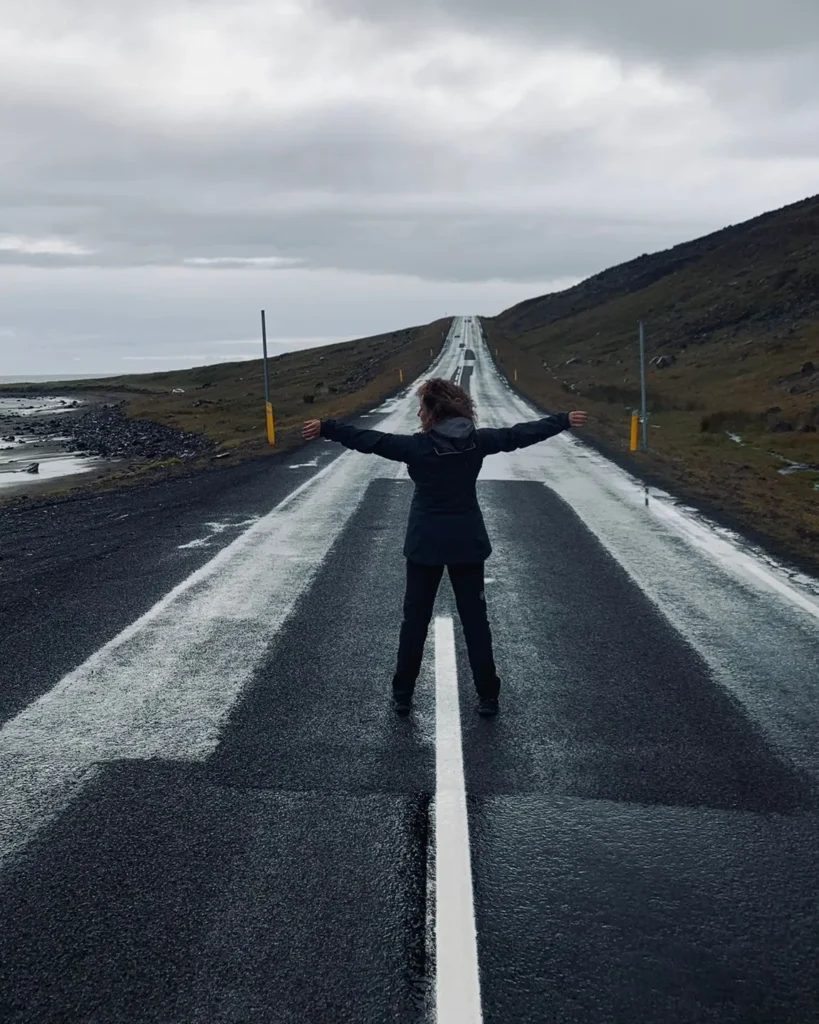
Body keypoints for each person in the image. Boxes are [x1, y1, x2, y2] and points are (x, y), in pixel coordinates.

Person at [303, 378, 587, 717]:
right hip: (468, 543)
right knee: (476, 623)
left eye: (421, 407)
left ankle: (403, 696)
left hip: (425, 545)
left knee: (415, 622)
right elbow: (520, 435)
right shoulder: (478, 442)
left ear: (432, 412)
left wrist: (326, 427)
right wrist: (563, 420)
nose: (418, 413)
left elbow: (368, 440)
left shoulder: (415, 447)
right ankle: (487, 697)